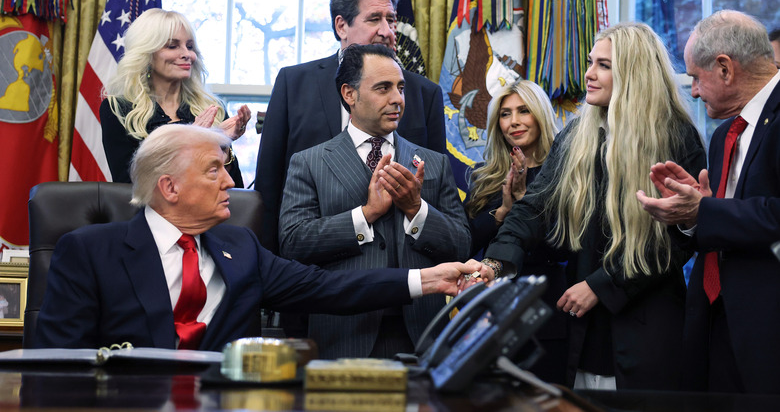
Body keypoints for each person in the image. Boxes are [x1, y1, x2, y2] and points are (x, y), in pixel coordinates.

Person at [33, 124, 479, 351]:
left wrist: (428, 279)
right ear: (169, 188)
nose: (230, 182)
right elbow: (59, 365)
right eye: (214, 170)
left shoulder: (240, 248)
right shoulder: (90, 251)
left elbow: (330, 288)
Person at [469, 22, 706, 390]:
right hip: (582, 328)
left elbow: (677, 240)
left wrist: (601, 285)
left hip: (647, 326)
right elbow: (533, 208)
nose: (589, 74)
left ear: (634, 73)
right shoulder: (577, 136)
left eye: (604, 65)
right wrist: (494, 262)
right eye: (590, 62)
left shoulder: (676, 136)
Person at [278, 44, 470, 359]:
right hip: (343, 334)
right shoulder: (309, 162)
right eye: (383, 88)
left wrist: (416, 210)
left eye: (401, 88)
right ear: (349, 94)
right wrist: (365, 215)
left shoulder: (434, 163)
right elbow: (293, 243)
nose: (398, 99)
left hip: (422, 337)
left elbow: (462, 244)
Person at [636, 10, 780, 395]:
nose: (694, 92)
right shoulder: (722, 136)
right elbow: (724, 223)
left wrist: (706, 210)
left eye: (696, 79)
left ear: (725, 68)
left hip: (766, 333)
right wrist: (692, 216)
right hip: (714, 324)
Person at [254, 0, 446, 255]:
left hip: (403, 265)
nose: (387, 31)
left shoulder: (423, 94)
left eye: (391, 20)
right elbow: (269, 188)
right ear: (342, 26)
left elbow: (436, 191)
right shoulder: (293, 84)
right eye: (374, 19)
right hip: (314, 266)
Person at [463, 80, 567, 384]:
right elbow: (464, 243)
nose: (514, 122)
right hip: (492, 310)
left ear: (541, 115)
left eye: (524, 111)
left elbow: (566, 246)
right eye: (505, 114)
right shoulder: (484, 175)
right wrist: (502, 212)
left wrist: (524, 201)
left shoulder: (565, 171)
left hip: (548, 307)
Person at [101, 8, 250, 187]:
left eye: (190, 46)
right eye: (172, 46)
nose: (186, 54)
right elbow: (129, 185)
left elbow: (234, 189)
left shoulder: (211, 107)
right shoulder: (119, 108)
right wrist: (187, 142)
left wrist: (222, 145)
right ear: (147, 54)